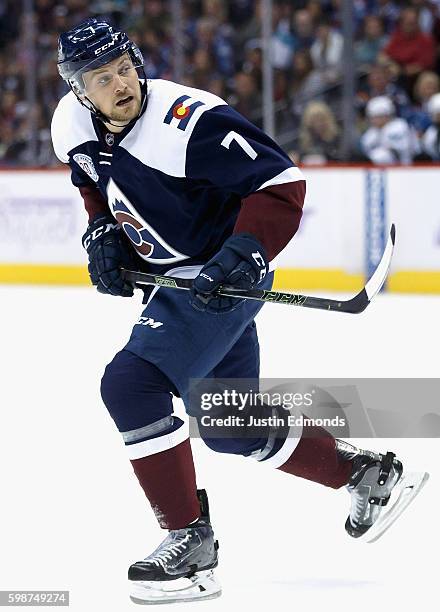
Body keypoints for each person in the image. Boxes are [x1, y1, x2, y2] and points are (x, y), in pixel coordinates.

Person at [51, 17, 428, 605]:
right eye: (103, 78)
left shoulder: (188, 122)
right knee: (230, 425)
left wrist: (244, 255)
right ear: (79, 90)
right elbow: (91, 176)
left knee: (131, 384)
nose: (122, 83)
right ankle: (365, 475)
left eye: (125, 67)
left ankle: (189, 544)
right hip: (174, 282)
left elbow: (282, 184)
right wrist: (100, 230)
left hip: (217, 278)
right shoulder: (70, 123)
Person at [361, 95, 416, 164]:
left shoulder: (399, 126)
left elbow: (395, 153)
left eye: (380, 116)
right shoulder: (370, 134)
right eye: (373, 117)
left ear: (388, 115)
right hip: (377, 170)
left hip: (402, 168)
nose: (376, 120)